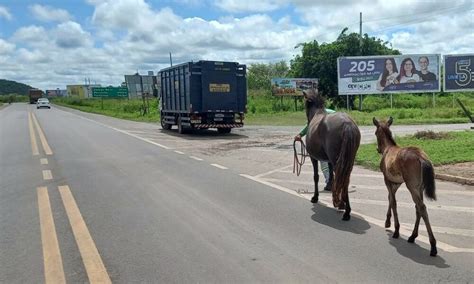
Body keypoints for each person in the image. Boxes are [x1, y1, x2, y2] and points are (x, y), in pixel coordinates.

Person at [294, 108, 335, 191]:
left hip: (323, 143)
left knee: (324, 162)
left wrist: (300, 134)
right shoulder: (333, 112)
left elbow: (310, 125)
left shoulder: (316, 115)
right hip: (335, 140)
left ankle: (330, 182)